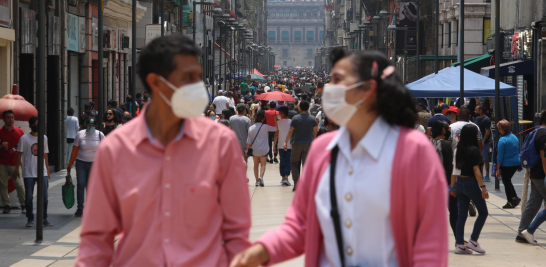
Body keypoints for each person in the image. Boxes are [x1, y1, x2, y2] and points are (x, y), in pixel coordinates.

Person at [230, 49, 447, 267]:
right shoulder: (322, 150)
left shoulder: (415, 151)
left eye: (337, 80)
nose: (328, 90)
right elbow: (301, 225)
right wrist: (261, 251)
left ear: (368, 89)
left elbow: (429, 245)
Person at [75, 34, 251, 266]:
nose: (198, 88)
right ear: (156, 83)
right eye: (188, 78)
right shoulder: (115, 149)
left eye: (198, 78)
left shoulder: (220, 144)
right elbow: (96, 240)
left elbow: (237, 233)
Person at [450, 124, 489, 254]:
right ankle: (473, 240)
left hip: (460, 183)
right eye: (477, 134)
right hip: (471, 183)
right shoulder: (474, 150)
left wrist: (452, 187)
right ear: (472, 135)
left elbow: (454, 170)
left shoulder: (458, 149)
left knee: (462, 215)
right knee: (483, 212)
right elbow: (476, 169)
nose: (478, 136)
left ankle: (460, 244)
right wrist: (483, 187)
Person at [13, 116, 53, 227]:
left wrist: (48, 170)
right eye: (35, 124)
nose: (37, 126)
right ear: (30, 126)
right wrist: (17, 169)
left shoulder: (44, 138)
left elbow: (45, 154)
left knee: (44, 197)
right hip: (29, 172)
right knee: (29, 196)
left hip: (42, 172)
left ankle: (44, 218)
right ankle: (30, 218)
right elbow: (19, 154)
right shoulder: (24, 138)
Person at [516, 111, 546, 244]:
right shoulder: (544, 134)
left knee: (534, 203)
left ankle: (522, 232)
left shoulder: (537, 131)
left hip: (535, 172)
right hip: (542, 175)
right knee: (534, 203)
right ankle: (527, 231)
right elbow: (544, 158)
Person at [67, 118, 105, 217]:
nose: (90, 128)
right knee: (81, 184)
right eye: (89, 126)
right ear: (86, 125)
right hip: (81, 163)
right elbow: (74, 150)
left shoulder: (100, 135)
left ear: (95, 126)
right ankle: (80, 208)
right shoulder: (80, 134)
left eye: (92, 126)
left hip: (94, 163)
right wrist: (70, 164)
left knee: (90, 186)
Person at [431, 120, 456, 241]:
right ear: (443, 130)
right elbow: (449, 167)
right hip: (444, 183)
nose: (450, 131)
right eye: (448, 129)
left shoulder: (427, 143)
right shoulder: (446, 145)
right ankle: (459, 239)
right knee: (453, 211)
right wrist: (452, 186)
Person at [283, 100, 317, 191]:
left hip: (297, 144)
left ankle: (296, 183)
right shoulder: (312, 118)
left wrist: (285, 142)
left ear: (299, 107)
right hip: (309, 144)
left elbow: (290, 131)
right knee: (306, 165)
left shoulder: (295, 118)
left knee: (294, 163)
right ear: (308, 108)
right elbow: (315, 132)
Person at [0, 110, 26, 214]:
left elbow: (25, 147)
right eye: (8, 117)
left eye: (12, 117)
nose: (11, 119)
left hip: (15, 163)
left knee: (19, 184)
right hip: (2, 162)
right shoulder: (0, 131)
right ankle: (6, 205)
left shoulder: (20, 132)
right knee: (3, 185)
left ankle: (24, 204)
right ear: (3, 119)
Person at [246, 111, 277, 187]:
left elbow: (249, 141)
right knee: (263, 164)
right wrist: (275, 120)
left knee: (255, 165)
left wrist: (247, 149)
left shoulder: (251, 128)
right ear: (262, 119)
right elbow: (275, 128)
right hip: (264, 149)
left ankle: (256, 181)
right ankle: (261, 177)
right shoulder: (266, 127)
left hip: (254, 149)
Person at [495, 119, 521, 209]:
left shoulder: (502, 140)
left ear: (501, 128)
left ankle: (510, 201)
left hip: (506, 164)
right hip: (516, 162)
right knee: (508, 181)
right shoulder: (514, 137)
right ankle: (515, 197)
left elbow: (500, 156)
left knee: (506, 183)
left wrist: (497, 168)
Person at [230, 103, 252, 176]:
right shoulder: (247, 119)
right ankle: (243, 176)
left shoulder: (231, 118)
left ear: (237, 110)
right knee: (244, 161)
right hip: (244, 143)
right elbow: (249, 132)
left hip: (234, 143)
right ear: (244, 110)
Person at [273, 107, 292, 186]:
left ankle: (283, 177)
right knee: (288, 161)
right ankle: (286, 177)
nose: (279, 114)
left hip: (280, 145)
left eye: (280, 113)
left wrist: (274, 145)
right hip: (290, 145)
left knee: (282, 161)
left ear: (283, 114)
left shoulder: (278, 122)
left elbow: (276, 135)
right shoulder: (292, 121)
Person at [474, 105, 491, 182]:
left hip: (484, 142)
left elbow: (487, 131)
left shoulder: (486, 119)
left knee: (485, 158)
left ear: (481, 110)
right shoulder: (477, 118)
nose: (475, 111)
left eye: (476, 110)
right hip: (478, 141)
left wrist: (483, 140)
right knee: (480, 158)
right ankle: (480, 174)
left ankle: (487, 175)